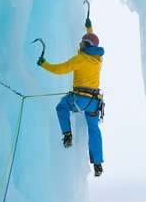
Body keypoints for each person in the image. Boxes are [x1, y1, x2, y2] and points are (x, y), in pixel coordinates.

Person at [37, 16, 105, 177]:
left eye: (82, 42)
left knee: (61, 107)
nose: (79, 43)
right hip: (94, 103)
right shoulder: (98, 58)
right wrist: (90, 29)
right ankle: (98, 164)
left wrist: (44, 64)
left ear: (86, 45)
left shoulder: (80, 59)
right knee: (94, 130)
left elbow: (60, 69)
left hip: (79, 99)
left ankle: (67, 136)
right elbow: (92, 43)